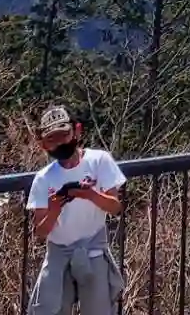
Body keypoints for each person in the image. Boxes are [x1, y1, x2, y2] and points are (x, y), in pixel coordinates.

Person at [25, 105, 127, 315]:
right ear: (44, 144)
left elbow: (115, 207)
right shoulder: (43, 178)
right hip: (58, 253)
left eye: (63, 135)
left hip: (93, 248)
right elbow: (40, 232)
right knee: (50, 309)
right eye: (52, 139)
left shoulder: (99, 160)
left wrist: (90, 195)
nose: (59, 143)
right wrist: (54, 209)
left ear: (77, 131)